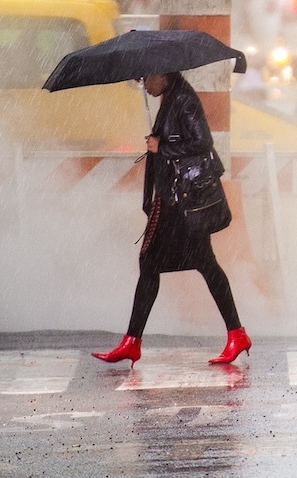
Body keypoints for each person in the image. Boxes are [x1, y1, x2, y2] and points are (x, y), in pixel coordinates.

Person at [92, 69, 251, 367]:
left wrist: (162, 146)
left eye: (147, 77)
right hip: (176, 199)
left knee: (156, 263)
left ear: (163, 74)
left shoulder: (183, 100)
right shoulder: (172, 97)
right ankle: (235, 334)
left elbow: (202, 142)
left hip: (182, 201)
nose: (143, 83)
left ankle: (132, 342)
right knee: (195, 264)